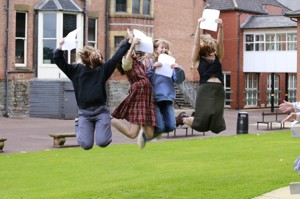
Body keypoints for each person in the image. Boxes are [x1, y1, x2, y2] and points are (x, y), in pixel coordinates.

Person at [53, 36, 131, 150]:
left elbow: (115, 58)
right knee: (86, 145)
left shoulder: (103, 70)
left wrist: (128, 43)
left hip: (101, 112)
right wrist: (60, 47)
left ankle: (103, 124)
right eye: (95, 54)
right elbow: (59, 61)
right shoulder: (76, 71)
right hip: (84, 113)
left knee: (103, 142)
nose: (98, 56)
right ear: (87, 56)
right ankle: (78, 123)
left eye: (99, 55)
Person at [176, 17, 226, 134]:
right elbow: (196, 45)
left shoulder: (218, 56)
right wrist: (198, 26)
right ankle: (183, 119)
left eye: (203, 41)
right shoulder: (197, 60)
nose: (201, 43)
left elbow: (220, 43)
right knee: (201, 124)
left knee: (216, 125)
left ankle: (185, 118)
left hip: (219, 90)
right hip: (206, 90)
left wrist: (221, 27)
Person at [111, 30, 156, 149]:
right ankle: (110, 120)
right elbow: (126, 61)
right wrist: (131, 45)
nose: (135, 53)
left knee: (150, 134)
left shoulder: (140, 63)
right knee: (132, 134)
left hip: (147, 97)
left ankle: (143, 132)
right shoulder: (127, 64)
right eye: (132, 51)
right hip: (138, 96)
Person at [140, 39, 186, 146]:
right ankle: (146, 134)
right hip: (153, 98)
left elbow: (178, 80)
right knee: (160, 127)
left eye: (166, 48)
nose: (164, 50)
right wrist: (153, 68)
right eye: (162, 47)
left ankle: (147, 136)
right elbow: (144, 78)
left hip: (167, 97)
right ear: (156, 49)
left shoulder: (171, 62)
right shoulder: (149, 61)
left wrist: (178, 69)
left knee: (171, 127)